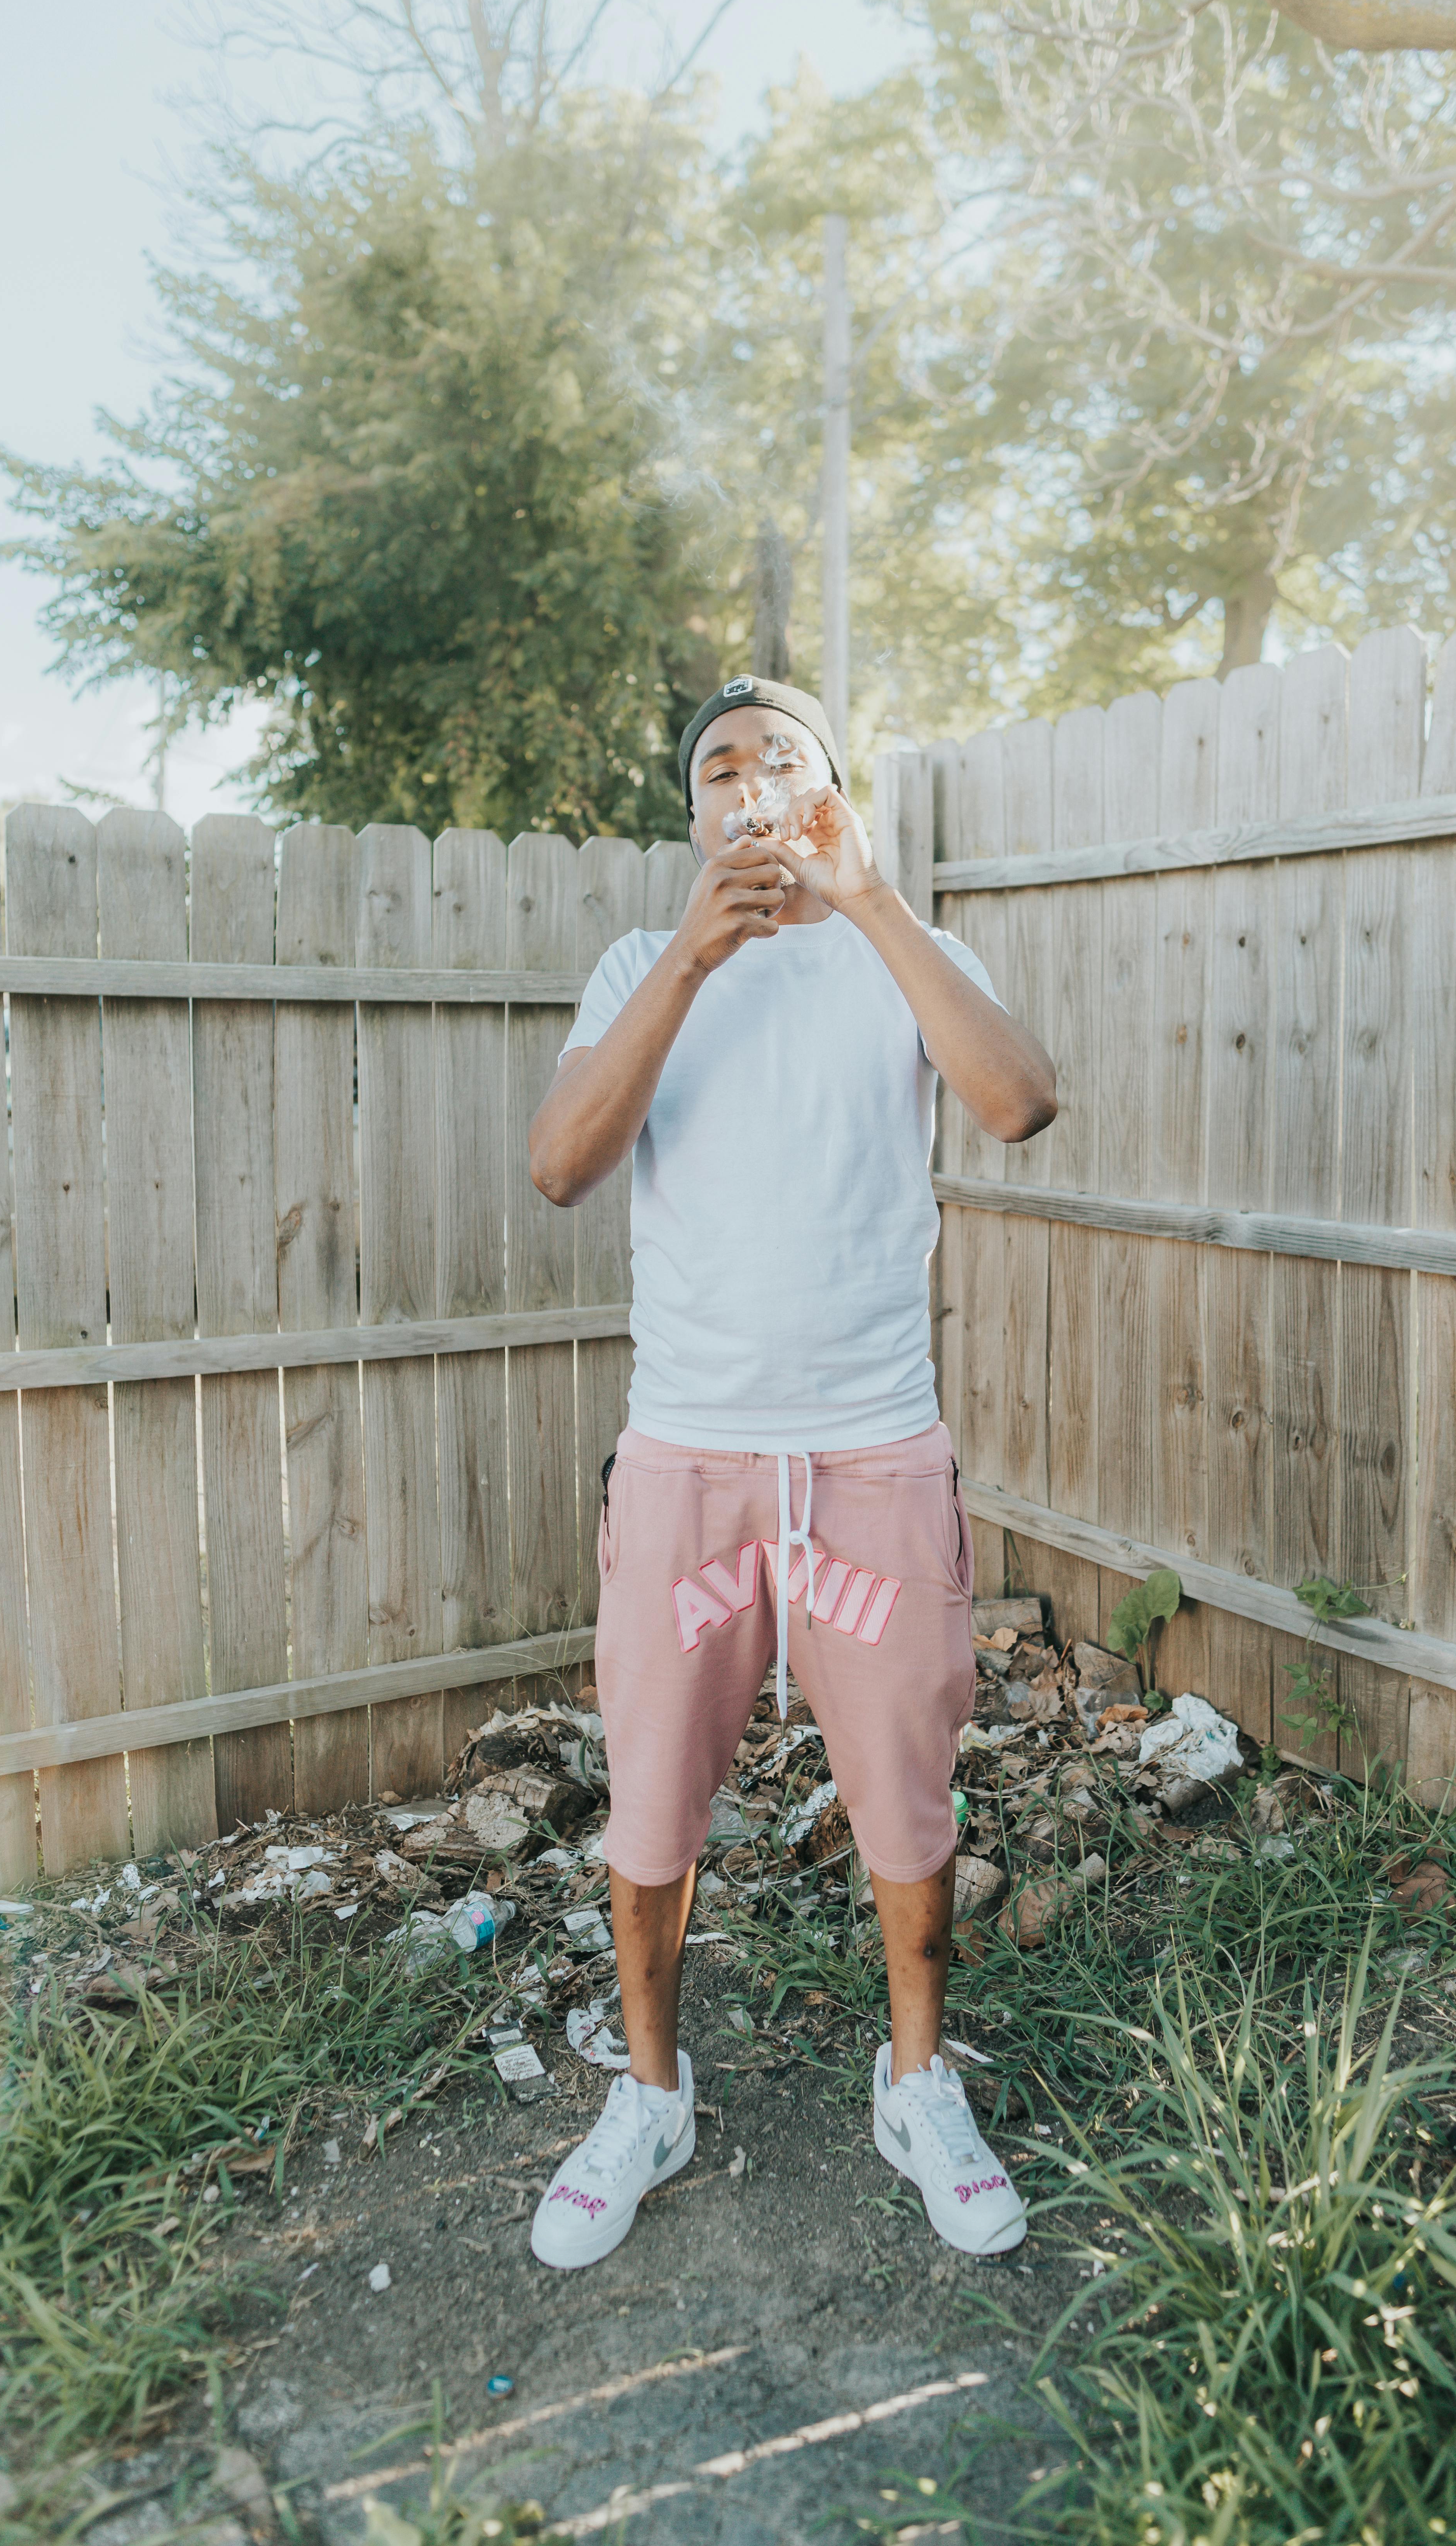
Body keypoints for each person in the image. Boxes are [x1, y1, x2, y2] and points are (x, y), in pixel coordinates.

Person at [525, 673, 1057, 2272]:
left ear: (832, 794)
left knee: (904, 1791)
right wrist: (695, 950)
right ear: (691, 814)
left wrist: (870, 897)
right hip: (688, 1456)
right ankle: (650, 2092)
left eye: (783, 761)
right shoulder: (640, 963)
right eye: (718, 767)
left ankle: (914, 2084)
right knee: (653, 1800)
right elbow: (559, 1165)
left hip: (873, 1452)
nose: (749, 783)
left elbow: (1020, 1102)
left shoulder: (902, 952)